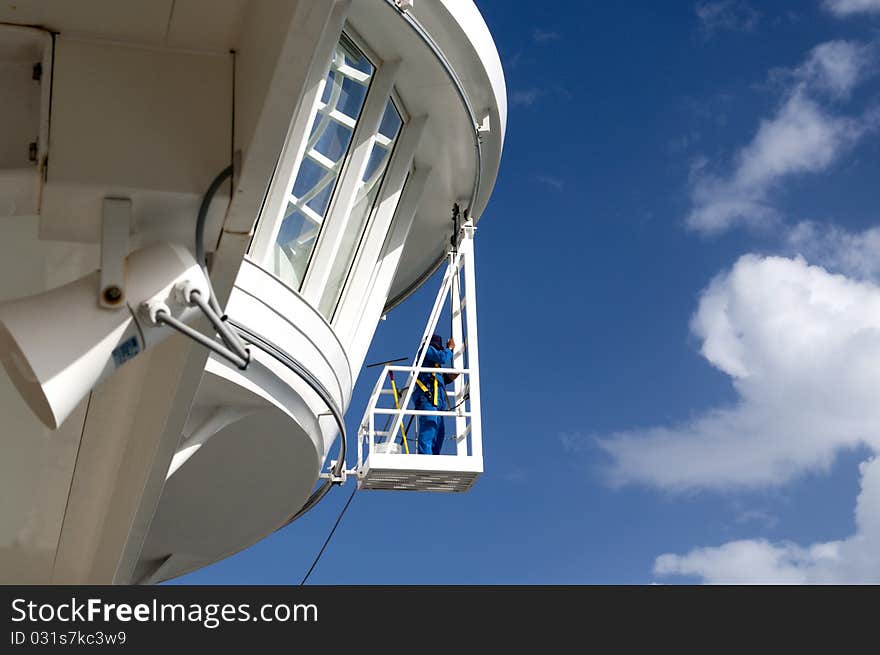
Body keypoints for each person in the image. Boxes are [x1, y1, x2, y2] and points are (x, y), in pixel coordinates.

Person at [414, 334, 457, 455]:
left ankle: (433, 457)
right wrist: (449, 349)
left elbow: (436, 379)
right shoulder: (426, 350)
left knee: (439, 433)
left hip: (437, 402)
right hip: (428, 399)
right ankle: (426, 457)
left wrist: (448, 378)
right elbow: (442, 357)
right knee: (429, 428)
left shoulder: (433, 365)